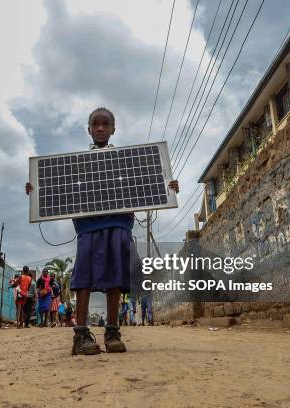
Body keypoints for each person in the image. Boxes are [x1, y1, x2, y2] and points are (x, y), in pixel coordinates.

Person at [26, 107, 179, 355]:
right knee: (84, 275)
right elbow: (55, 189)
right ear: (88, 130)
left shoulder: (125, 161)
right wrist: (36, 191)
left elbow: (147, 184)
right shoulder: (75, 164)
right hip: (88, 225)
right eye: (95, 124)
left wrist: (168, 187)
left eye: (105, 124)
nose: (100, 128)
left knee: (117, 275)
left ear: (113, 129)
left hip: (119, 223)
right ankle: (81, 334)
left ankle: (112, 331)